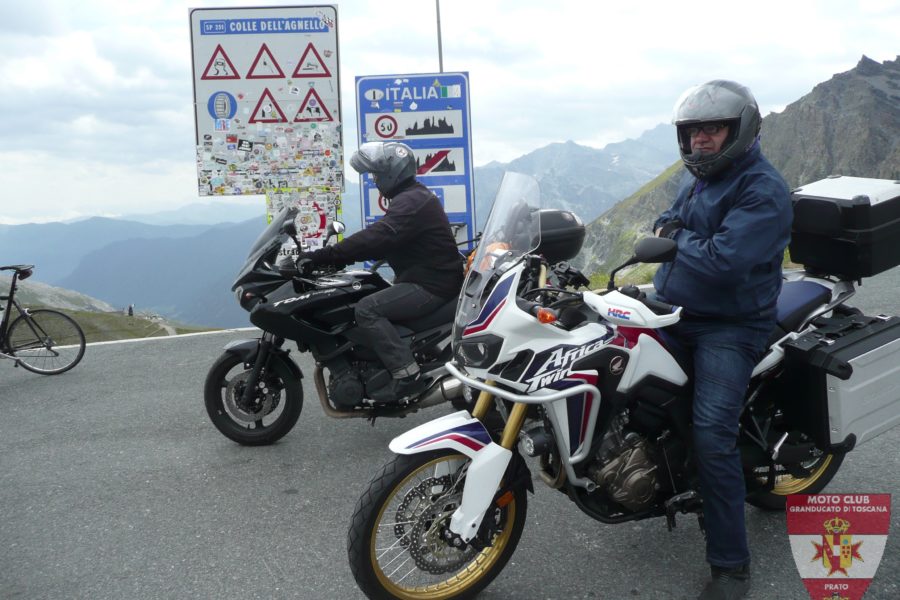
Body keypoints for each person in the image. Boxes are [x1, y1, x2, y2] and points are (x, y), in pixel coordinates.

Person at [651, 80, 792, 600]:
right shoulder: (700, 181)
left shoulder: (762, 189)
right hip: (677, 309)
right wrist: (676, 234)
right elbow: (667, 220)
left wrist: (678, 240)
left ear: (740, 131)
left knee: (712, 432)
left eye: (712, 130)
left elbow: (723, 260)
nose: (701, 141)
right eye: (692, 133)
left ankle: (732, 566)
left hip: (730, 325)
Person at [297, 141, 464, 403]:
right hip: (430, 279)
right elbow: (387, 241)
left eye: (376, 174)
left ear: (391, 173)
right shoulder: (412, 198)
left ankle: (407, 376)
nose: (374, 180)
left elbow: (380, 236)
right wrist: (340, 260)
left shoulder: (411, 202)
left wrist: (324, 256)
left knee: (367, 309)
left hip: (432, 286)